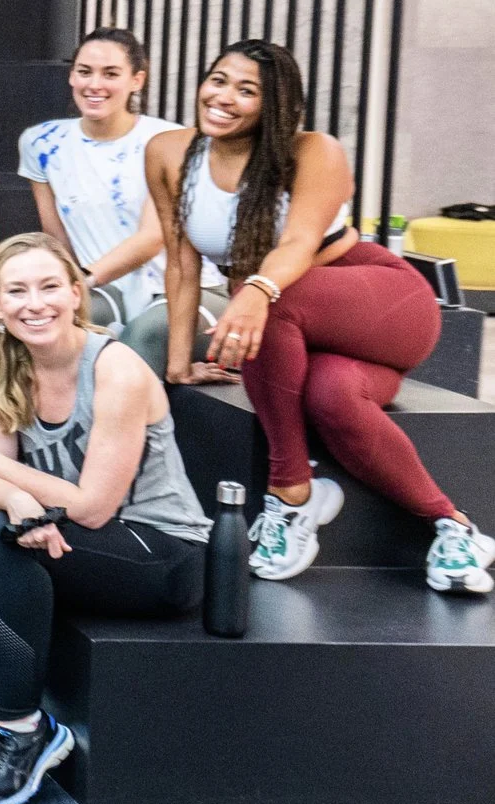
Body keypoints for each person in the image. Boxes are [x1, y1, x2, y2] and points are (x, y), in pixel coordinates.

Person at [145, 40, 493, 591]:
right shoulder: (168, 151)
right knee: (332, 399)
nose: (223, 97)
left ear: (274, 104)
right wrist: (178, 362)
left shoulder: (314, 151)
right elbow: (182, 264)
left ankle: (290, 492)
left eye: (246, 90)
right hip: (297, 320)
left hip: (381, 302)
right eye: (217, 80)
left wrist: (256, 288)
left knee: (272, 302)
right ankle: (454, 526)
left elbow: (301, 243)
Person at [0, 234, 210, 804]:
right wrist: (12, 497)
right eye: (17, 291)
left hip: (159, 548)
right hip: (70, 530)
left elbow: (93, 507)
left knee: (6, 543)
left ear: (77, 293)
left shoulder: (116, 369)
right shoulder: (0, 361)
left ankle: (25, 727)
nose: (35, 303)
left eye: (49, 287)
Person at [19, 27, 220, 361]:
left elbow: (151, 238)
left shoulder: (171, 139)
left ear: (136, 80)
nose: (94, 85)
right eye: (84, 72)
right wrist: (60, 287)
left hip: (186, 289)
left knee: (142, 337)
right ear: (72, 76)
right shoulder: (41, 142)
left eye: (110, 74)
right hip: (104, 289)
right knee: (39, 326)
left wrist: (81, 281)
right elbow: (56, 237)